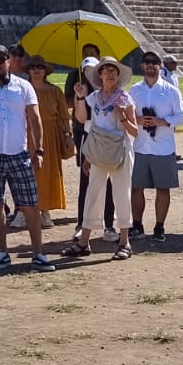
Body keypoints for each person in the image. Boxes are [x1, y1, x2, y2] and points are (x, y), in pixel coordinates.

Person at [0, 42, 54, 272]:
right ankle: (2, 252)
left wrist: (40, 150)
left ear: (9, 61)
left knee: (31, 204)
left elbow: (35, 119)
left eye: (0, 59)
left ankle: (38, 253)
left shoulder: (23, 87)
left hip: (19, 152)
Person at [67, 54, 138, 261]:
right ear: (99, 74)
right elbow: (83, 119)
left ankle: (125, 241)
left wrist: (123, 116)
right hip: (99, 150)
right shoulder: (94, 97)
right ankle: (84, 241)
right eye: (106, 70)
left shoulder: (124, 98)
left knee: (121, 194)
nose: (110, 74)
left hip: (119, 151)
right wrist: (79, 97)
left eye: (113, 71)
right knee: (93, 193)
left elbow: (134, 131)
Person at [129, 50, 183, 242]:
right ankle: (137, 225)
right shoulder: (135, 90)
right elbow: (127, 115)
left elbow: (182, 116)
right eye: (147, 62)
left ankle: (159, 226)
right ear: (142, 65)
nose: (151, 65)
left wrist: (161, 121)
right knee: (137, 187)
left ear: (160, 66)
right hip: (141, 145)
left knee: (163, 188)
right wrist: (138, 119)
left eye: (155, 62)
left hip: (163, 146)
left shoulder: (171, 90)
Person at [70, 56, 117, 243]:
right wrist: (80, 97)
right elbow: (81, 117)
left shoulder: (109, 91)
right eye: (86, 70)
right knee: (86, 182)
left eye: (92, 70)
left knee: (109, 183)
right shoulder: (82, 92)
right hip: (87, 137)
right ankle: (82, 224)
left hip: (107, 139)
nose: (89, 74)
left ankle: (109, 225)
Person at [22, 55, 70, 230]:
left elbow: (64, 115)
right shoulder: (22, 90)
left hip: (50, 134)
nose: (36, 69)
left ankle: (45, 211)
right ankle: (23, 211)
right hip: (26, 133)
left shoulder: (54, 91)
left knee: (48, 172)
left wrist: (67, 134)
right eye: (33, 66)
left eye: (39, 67)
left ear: (45, 71)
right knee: (25, 172)